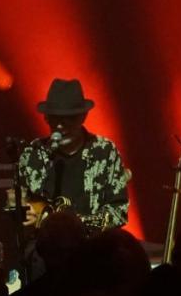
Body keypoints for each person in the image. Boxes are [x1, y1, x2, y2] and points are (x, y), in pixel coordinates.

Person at [16, 79, 131, 233]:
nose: (60, 126)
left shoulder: (104, 152)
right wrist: (25, 212)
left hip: (92, 248)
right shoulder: (33, 154)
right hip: (45, 250)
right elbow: (19, 204)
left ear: (83, 117)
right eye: (54, 119)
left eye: (69, 119)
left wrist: (76, 224)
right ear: (46, 118)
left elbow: (118, 211)